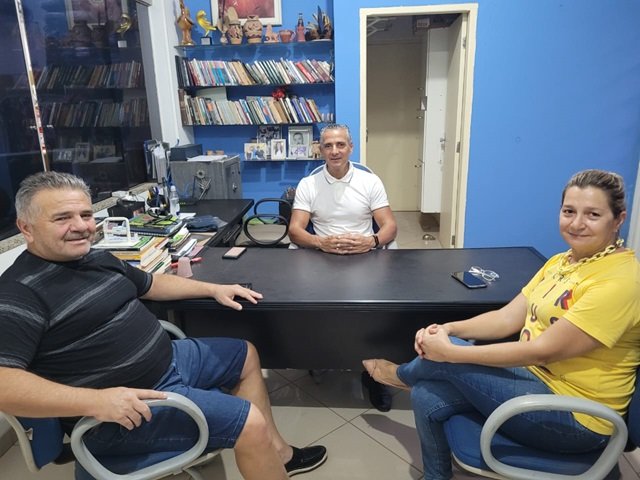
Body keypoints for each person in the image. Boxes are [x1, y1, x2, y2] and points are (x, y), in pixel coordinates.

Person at [0, 172, 327, 480]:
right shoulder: (19, 293)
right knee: (250, 423)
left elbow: (151, 284)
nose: (81, 226)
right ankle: (256, 441)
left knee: (245, 354)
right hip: (125, 409)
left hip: (168, 362)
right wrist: (96, 402)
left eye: (85, 215)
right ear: (26, 228)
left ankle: (279, 454)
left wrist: (213, 289)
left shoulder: (94, 258)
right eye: (62, 218)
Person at [363, 169, 640, 480]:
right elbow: (507, 317)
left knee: (446, 361)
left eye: (593, 214)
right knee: (427, 394)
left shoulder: (619, 281)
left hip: (577, 418)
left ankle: (402, 374)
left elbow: (542, 351)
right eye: (569, 211)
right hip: (536, 382)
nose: (576, 223)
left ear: (618, 219)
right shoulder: (562, 262)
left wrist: (449, 353)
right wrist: (449, 329)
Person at [288, 123, 399, 412]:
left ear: (351, 147)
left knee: (371, 312)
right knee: (318, 309)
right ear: (320, 150)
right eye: (328, 145)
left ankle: (374, 375)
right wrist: (319, 242)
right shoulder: (308, 184)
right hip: (322, 255)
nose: (334, 151)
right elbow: (295, 230)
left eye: (340, 145)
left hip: (365, 254)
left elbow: (389, 226)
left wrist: (371, 241)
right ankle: (322, 355)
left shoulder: (369, 182)